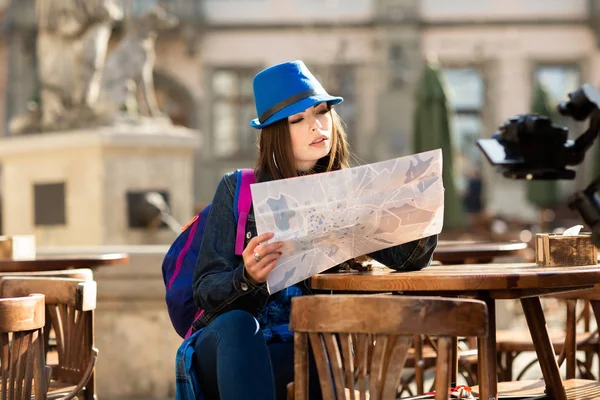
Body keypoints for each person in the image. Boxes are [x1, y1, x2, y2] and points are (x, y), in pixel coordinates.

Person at [186, 60, 438, 400]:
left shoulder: (351, 194)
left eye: (321, 113)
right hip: (232, 346)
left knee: (317, 350)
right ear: (276, 132)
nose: (317, 126)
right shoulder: (237, 188)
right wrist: (247, 276)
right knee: (238, 326)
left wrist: (421, 207)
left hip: (312, 348)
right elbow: (203, 290)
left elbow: (408, 260)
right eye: (298, 119)